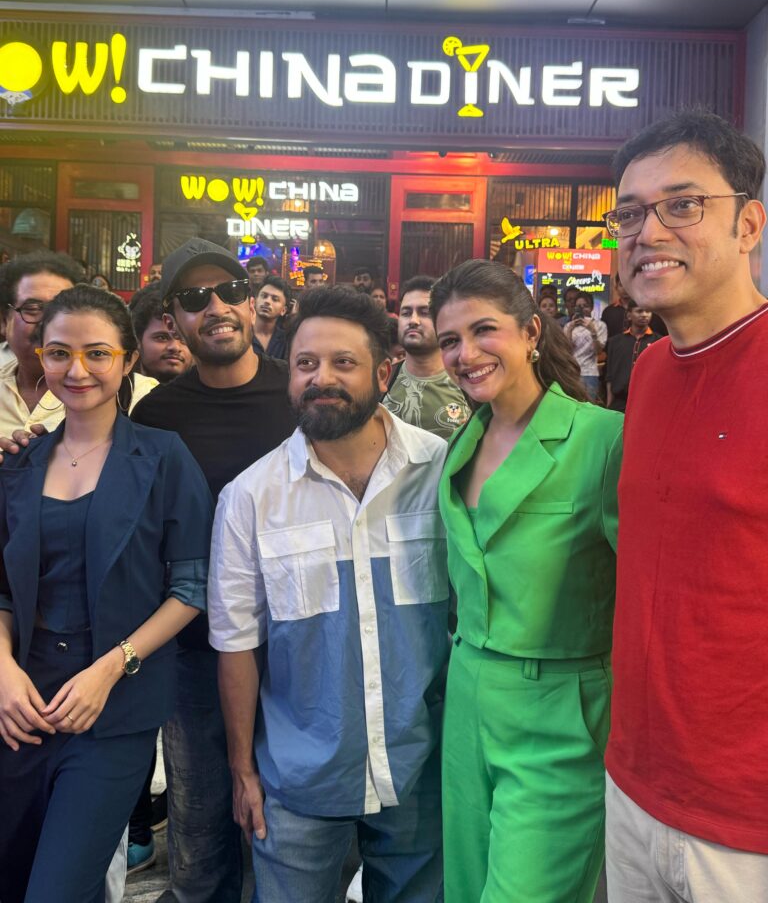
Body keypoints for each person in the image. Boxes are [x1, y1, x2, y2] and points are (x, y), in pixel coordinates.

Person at [208, 286, 448, 903]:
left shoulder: (440, 471)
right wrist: (242, 770)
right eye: (306, 364)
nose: (322, 379)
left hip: (420, 768)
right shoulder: (251, 497)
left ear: (383, 374)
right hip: (297, 780)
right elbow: (236, 644)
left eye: (344, 363)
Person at [0, 285, 213, 903]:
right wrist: (4, 671)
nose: (78, 370)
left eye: (97, 353)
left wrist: (111, 668)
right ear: (41, 356)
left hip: (112, 711)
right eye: (59, 353)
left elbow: (191, 586)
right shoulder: (20, 462)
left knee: (57, 888)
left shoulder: (163, 456)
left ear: (127, 361)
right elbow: (4, 589)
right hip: (20, 704)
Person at [603, 110, 768, 901]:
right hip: (634, 784)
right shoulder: (650, 373)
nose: (649, 231)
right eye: (630, 213)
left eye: (682, 204)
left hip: (747, 821)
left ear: (749, 225)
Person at [432, 259, 622, 903]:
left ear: (531, 331)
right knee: (465, 889)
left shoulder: (603, 440)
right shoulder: (462, 442)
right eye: (450, 340)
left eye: (483, 330)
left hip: (561, 714)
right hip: (467, 699)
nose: (466, 354)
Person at [130, 238, 295, 903]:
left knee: (295, 831)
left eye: (229, 291)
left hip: (297, 645)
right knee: (199, 837)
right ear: (173, 318)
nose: (217, 307)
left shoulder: (299, 392)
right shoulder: (157, 414)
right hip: (195, 651)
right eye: (195, 298)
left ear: (252, 302)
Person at [0, 252, 156, 437]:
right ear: (4, 320)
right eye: (33, 309)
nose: (49, 321)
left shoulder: (144, 396)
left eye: (63, 308)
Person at [382, 275, 470, 440]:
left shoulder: (469, 383)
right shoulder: (382, 380)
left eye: (424, 312)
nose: (413, 320)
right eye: (406, 313)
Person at [604, 300, 661, 412]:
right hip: (619, 402)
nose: (644, 315)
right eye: (639, 311)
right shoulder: (615, 342)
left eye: (648, 311)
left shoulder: (659, 342)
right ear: (629, 315)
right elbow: (609, 376)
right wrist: (609, 405)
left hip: (648, 400)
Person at [129, 285, 192, 384]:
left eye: (183, 338)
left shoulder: (208, 390)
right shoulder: (117, 390)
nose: (175, 347)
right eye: (162, 337)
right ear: (138, 341)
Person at [564, 291, 607, 401]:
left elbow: (599, 351)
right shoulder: (568, 326)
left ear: (592, 307)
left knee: (589, 405)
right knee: (572, 404)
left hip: (590, 373)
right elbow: (566, 351)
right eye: (579, 306)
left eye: (585, 306)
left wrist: (592, 331)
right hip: (572, 373)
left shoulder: (600, 325)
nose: (582, 309)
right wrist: (570, 329)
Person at [601, 272, 667, 339]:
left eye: (628, 284)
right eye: (621, 285)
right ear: (616, 287)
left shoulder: (650, 310)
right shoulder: (608, 312)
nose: (625, 288)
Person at [252, 276, 291, 360]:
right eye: (264, 296)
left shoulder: (287, 340)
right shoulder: (241, 334)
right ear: (254, 301)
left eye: (275, 299)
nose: (267, 301)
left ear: (283, 310)